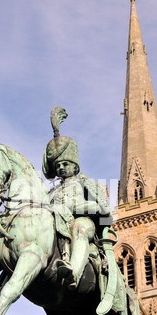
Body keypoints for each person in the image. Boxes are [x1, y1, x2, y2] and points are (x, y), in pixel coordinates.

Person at [42, 107, 112, 289]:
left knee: (79, 227)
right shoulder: (52, 192)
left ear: (75, 166)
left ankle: (73, 272)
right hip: (58, 223)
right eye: (58, 166)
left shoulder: (88, 185)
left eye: (66, 164)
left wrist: (74, 207)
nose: (62, 168)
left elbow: (103, 210)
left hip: (83, 225)